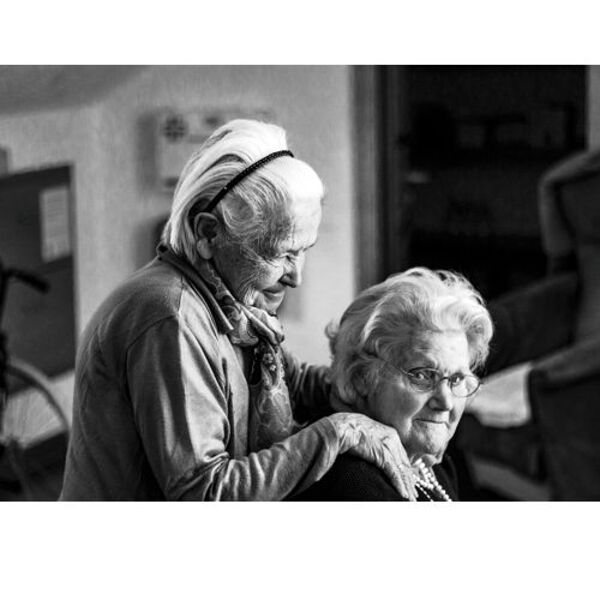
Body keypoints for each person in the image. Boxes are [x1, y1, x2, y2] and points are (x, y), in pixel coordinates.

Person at [60, 119, 414, 501]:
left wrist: (388, 385)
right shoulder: (171, 317)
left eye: (304, 251)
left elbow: (294, 383)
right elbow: (205, 492)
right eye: (281, 254)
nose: (296, 277)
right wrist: (337, 433)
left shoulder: (232, 307)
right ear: (208, 233)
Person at [292, 267, 493, 501]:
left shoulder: (431, 462)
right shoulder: (352, 479)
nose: (446, 402)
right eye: (423, 375)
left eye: (456, 379)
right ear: (361, 377)